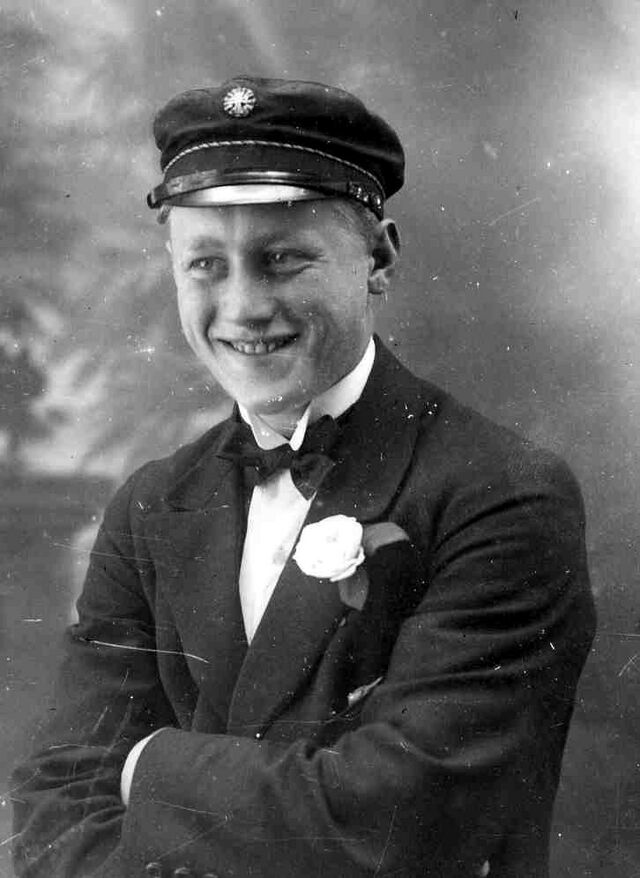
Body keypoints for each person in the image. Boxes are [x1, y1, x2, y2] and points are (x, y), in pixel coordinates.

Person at [11, 76, 596, 878]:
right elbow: (54, 811)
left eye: (282, 259)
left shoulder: (502, 493)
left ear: (378, 259)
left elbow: (400, 821)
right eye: (206, 264)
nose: (242, 307)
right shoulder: (151, 504)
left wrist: (147, 768)